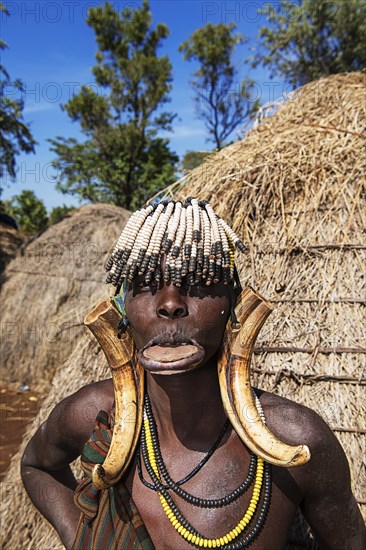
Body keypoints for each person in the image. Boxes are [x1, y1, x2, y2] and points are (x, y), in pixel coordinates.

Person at [21, 198, 365, 550]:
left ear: (234, 305)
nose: (170, 303)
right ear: (122, 309)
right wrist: (82, 536)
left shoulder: (297, 441)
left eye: (200, 280)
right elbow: (36, 466)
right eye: (147, 281)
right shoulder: (92, 413)